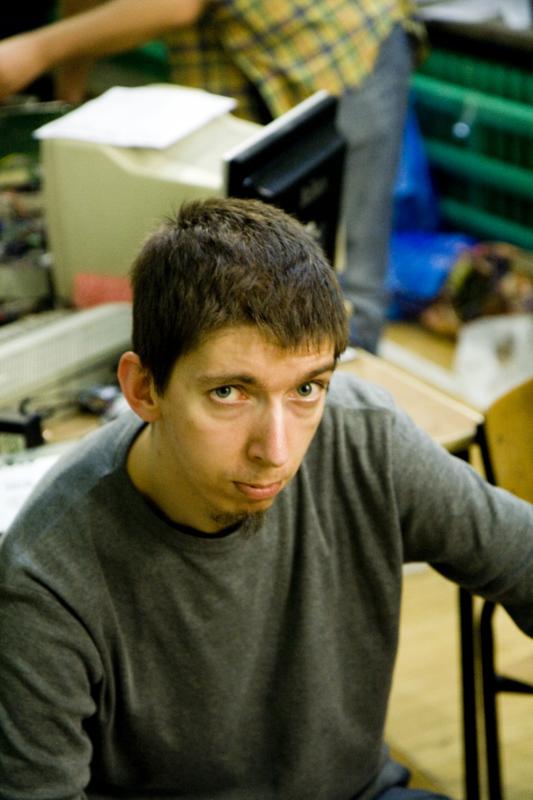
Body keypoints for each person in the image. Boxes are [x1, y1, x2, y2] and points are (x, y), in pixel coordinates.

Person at [1, 197, 533, 800]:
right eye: (230, 392)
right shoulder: (44, 581)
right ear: (144, 389)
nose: (276, 451)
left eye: (307, 388)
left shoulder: (364, 437)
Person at [0, 0, 423, 353]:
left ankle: (341, 391)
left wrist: (33, 52)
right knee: (254, 240)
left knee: (348, 279)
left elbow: (180, 5)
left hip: (333, 42)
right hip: (231, 51)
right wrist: (69, 95)